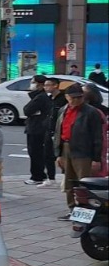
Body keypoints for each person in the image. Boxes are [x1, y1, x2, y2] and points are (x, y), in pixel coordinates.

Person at [53, 85, 106, 218]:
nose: (77, 100)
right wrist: (58, 154)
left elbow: (97, 137)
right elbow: (58, 132)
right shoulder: (63, 110)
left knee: (83, 182)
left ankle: (86, 209)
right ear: (67, 97)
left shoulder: (91, 112)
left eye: (79, 97)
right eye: (73, 97)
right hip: (66, 148)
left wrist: (96, 159)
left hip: (83, 152)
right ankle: (72, 209)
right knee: (69, 182)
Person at [23, 76, 59, 187]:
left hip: (36, 128)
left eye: (33, 82)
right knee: (38, 153)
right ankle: (39, 175)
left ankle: (37, 176)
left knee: (35, 152)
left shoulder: (41, 97)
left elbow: (27, 110)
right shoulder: (45, 96)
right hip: (39, 127)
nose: (31, 84)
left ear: (39, 84)